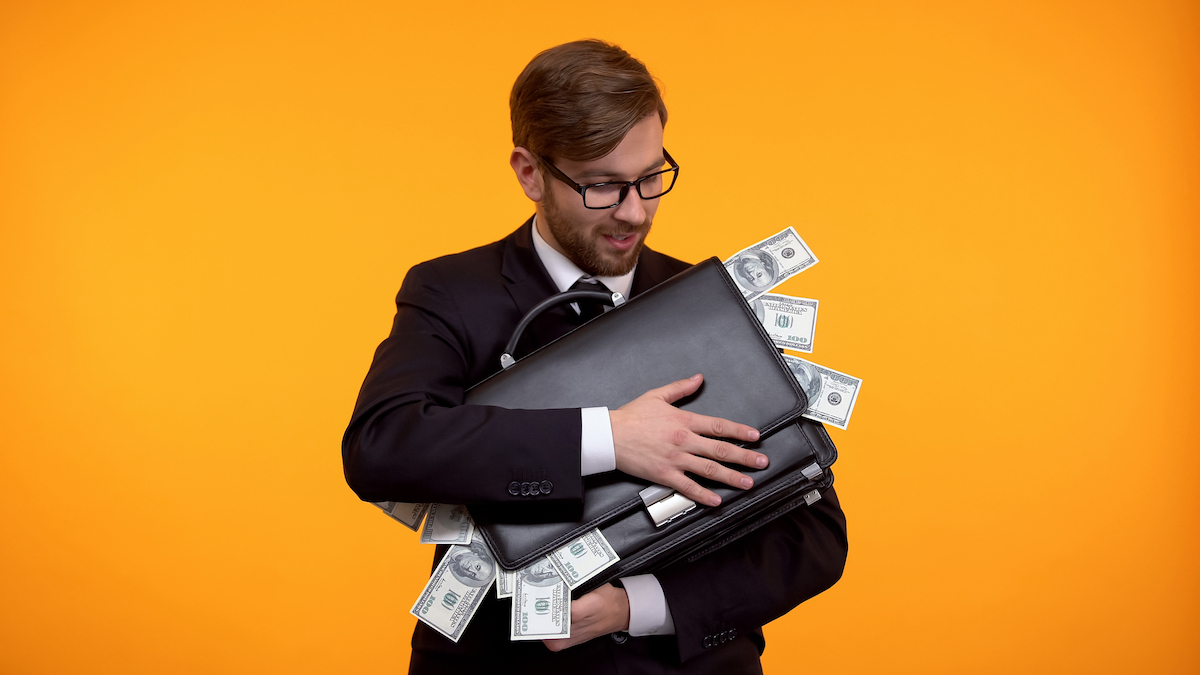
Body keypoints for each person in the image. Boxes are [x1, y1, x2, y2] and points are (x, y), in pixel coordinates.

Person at [342, 39, 848, 674]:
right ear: (530, 173)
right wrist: (609, 438)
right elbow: (382, 445)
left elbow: (816, 536)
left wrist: (637, 605)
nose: (635, 212)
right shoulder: (450, 292)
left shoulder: (709, 301)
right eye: (603, 187)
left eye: (650, 177)